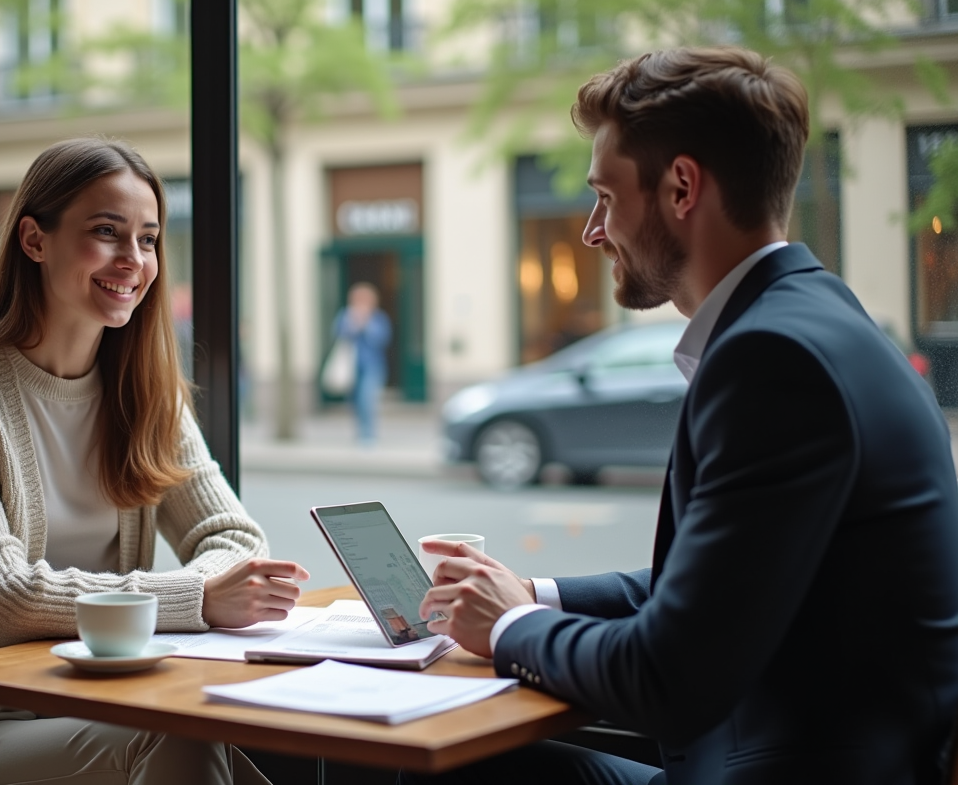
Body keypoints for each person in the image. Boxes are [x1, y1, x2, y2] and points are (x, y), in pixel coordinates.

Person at [406, 47, 958, 785]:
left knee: (439, 769)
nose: (592, 231)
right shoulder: (823, 319)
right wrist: (536, 594)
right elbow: (714, 584)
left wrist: (510, 628)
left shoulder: (772, 360)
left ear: (682, 188)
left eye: (605, 196)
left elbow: (671, 679)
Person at [0, 138, 309, 785]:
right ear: (34, 241)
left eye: (148, 239)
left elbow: (233, 537)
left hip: (100, 698)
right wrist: (198, 597)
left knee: (243, 740)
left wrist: (212, 587)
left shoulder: (144, 389)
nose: (134, 260)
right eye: (106, 232)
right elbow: (2, 600)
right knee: (179, 742)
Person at [332, 282, 391, 443]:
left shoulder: (378, 318)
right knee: (354, 401)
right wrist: (353, 323)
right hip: (352, 367)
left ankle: (368, 434)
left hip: (372, 366)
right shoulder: (346, 315)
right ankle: (359, 432)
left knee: (367, 399)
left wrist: (366, 324)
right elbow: (338, 334)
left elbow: (382, 339)